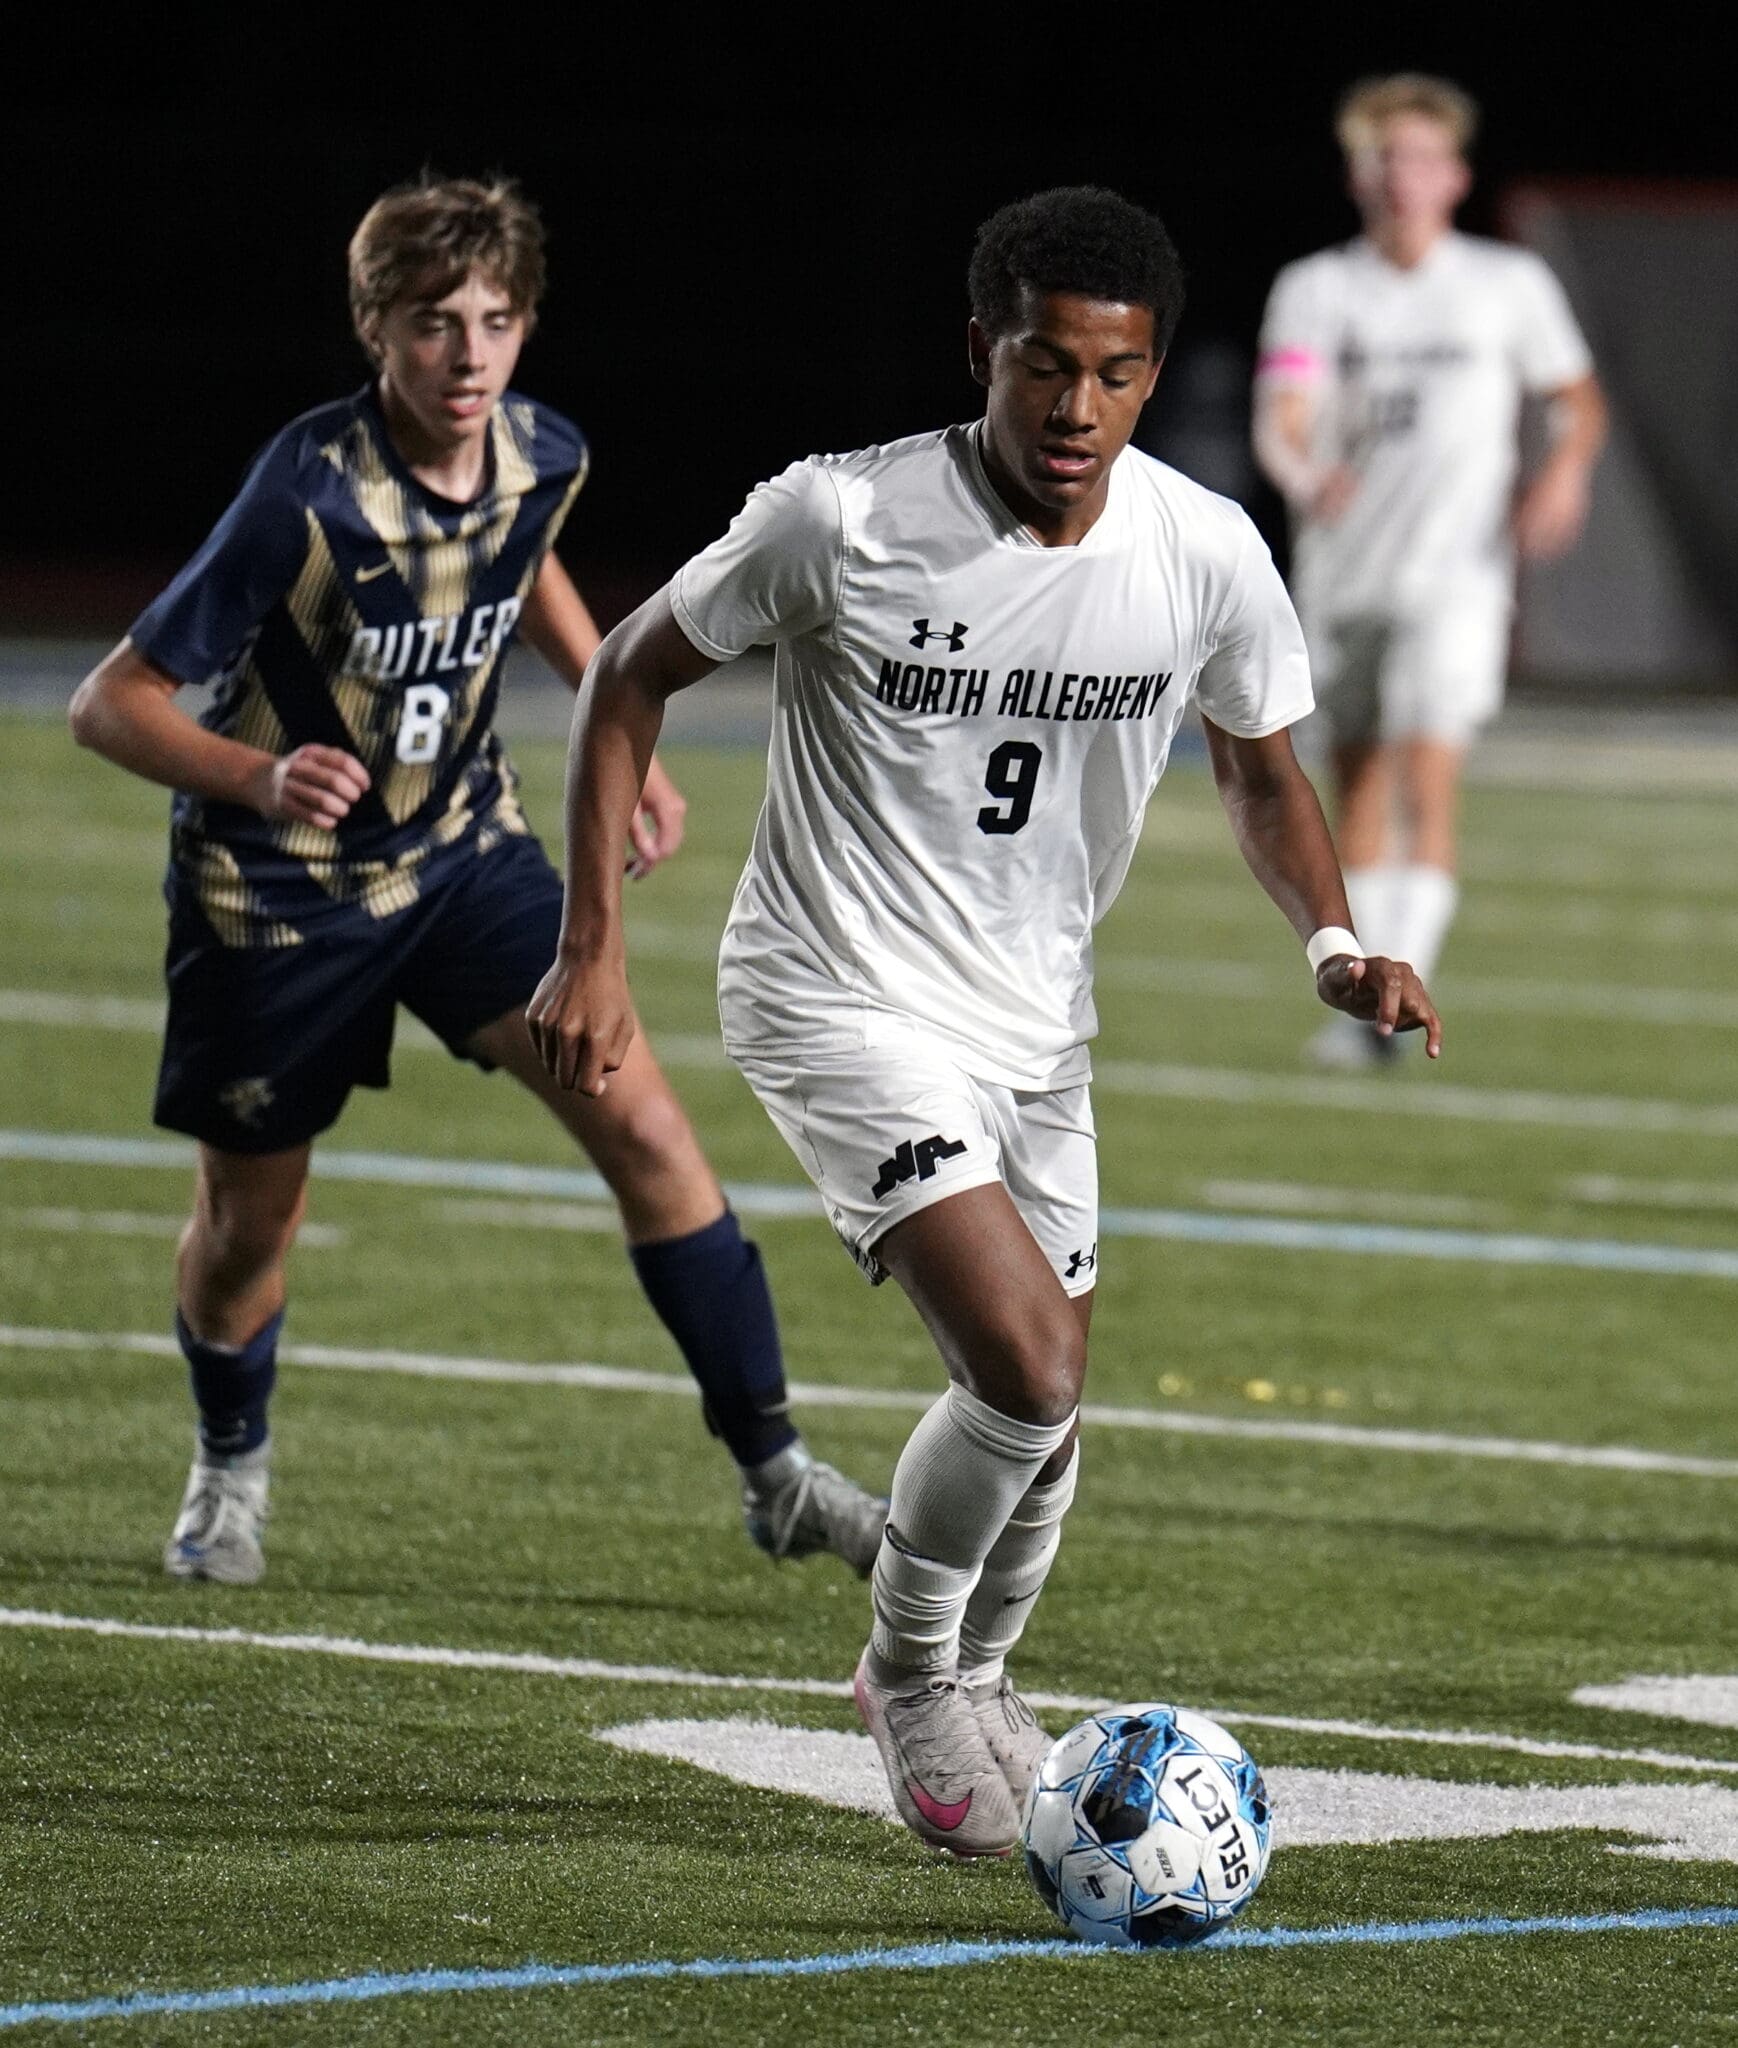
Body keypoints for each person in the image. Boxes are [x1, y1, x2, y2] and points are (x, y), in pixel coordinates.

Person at [528, 184, 1440, 1858]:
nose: (1074, 406)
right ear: (981, 351)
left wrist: (1331, 939)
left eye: (1113, 373)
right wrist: (593, 948)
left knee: (1047, 1411)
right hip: (833, 988)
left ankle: (980, 1673)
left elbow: (1259, 772)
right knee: (1026, 1364)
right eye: (1043, 366)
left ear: (1152, 374)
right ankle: (906, 1673)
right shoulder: (839, 518)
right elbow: (624, 674)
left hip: (1033, 1022)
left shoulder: (1202, 550)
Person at [67, 174, 885, 1589]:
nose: (468, 355)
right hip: (279, 898)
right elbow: (107, 703)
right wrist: (257, 775)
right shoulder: (306, 492)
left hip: (461, 857)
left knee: (649, 1135)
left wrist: (616, 714)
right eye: (435, 323)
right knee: (252, 1224)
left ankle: (776, 1473)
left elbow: (527, 557)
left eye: (496, 322)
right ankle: (228, 1464)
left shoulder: (541, 452)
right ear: (376, 327)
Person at [1253, 74, 1606, 1068]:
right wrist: (1304, 472)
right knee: (1355, 786)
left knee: (1425, 774)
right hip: (1343, 574)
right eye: (1383, 158)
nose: (1401, 177)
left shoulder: (1505, 284)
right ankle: (1368, 1000)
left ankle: (1386, 1020)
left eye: (1419, 158)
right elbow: (1282, 414)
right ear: (1356, 175)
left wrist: (1564, 473)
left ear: (1453, 175)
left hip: (1456, 577)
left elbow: (1576, 400)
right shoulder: (1316, 288)